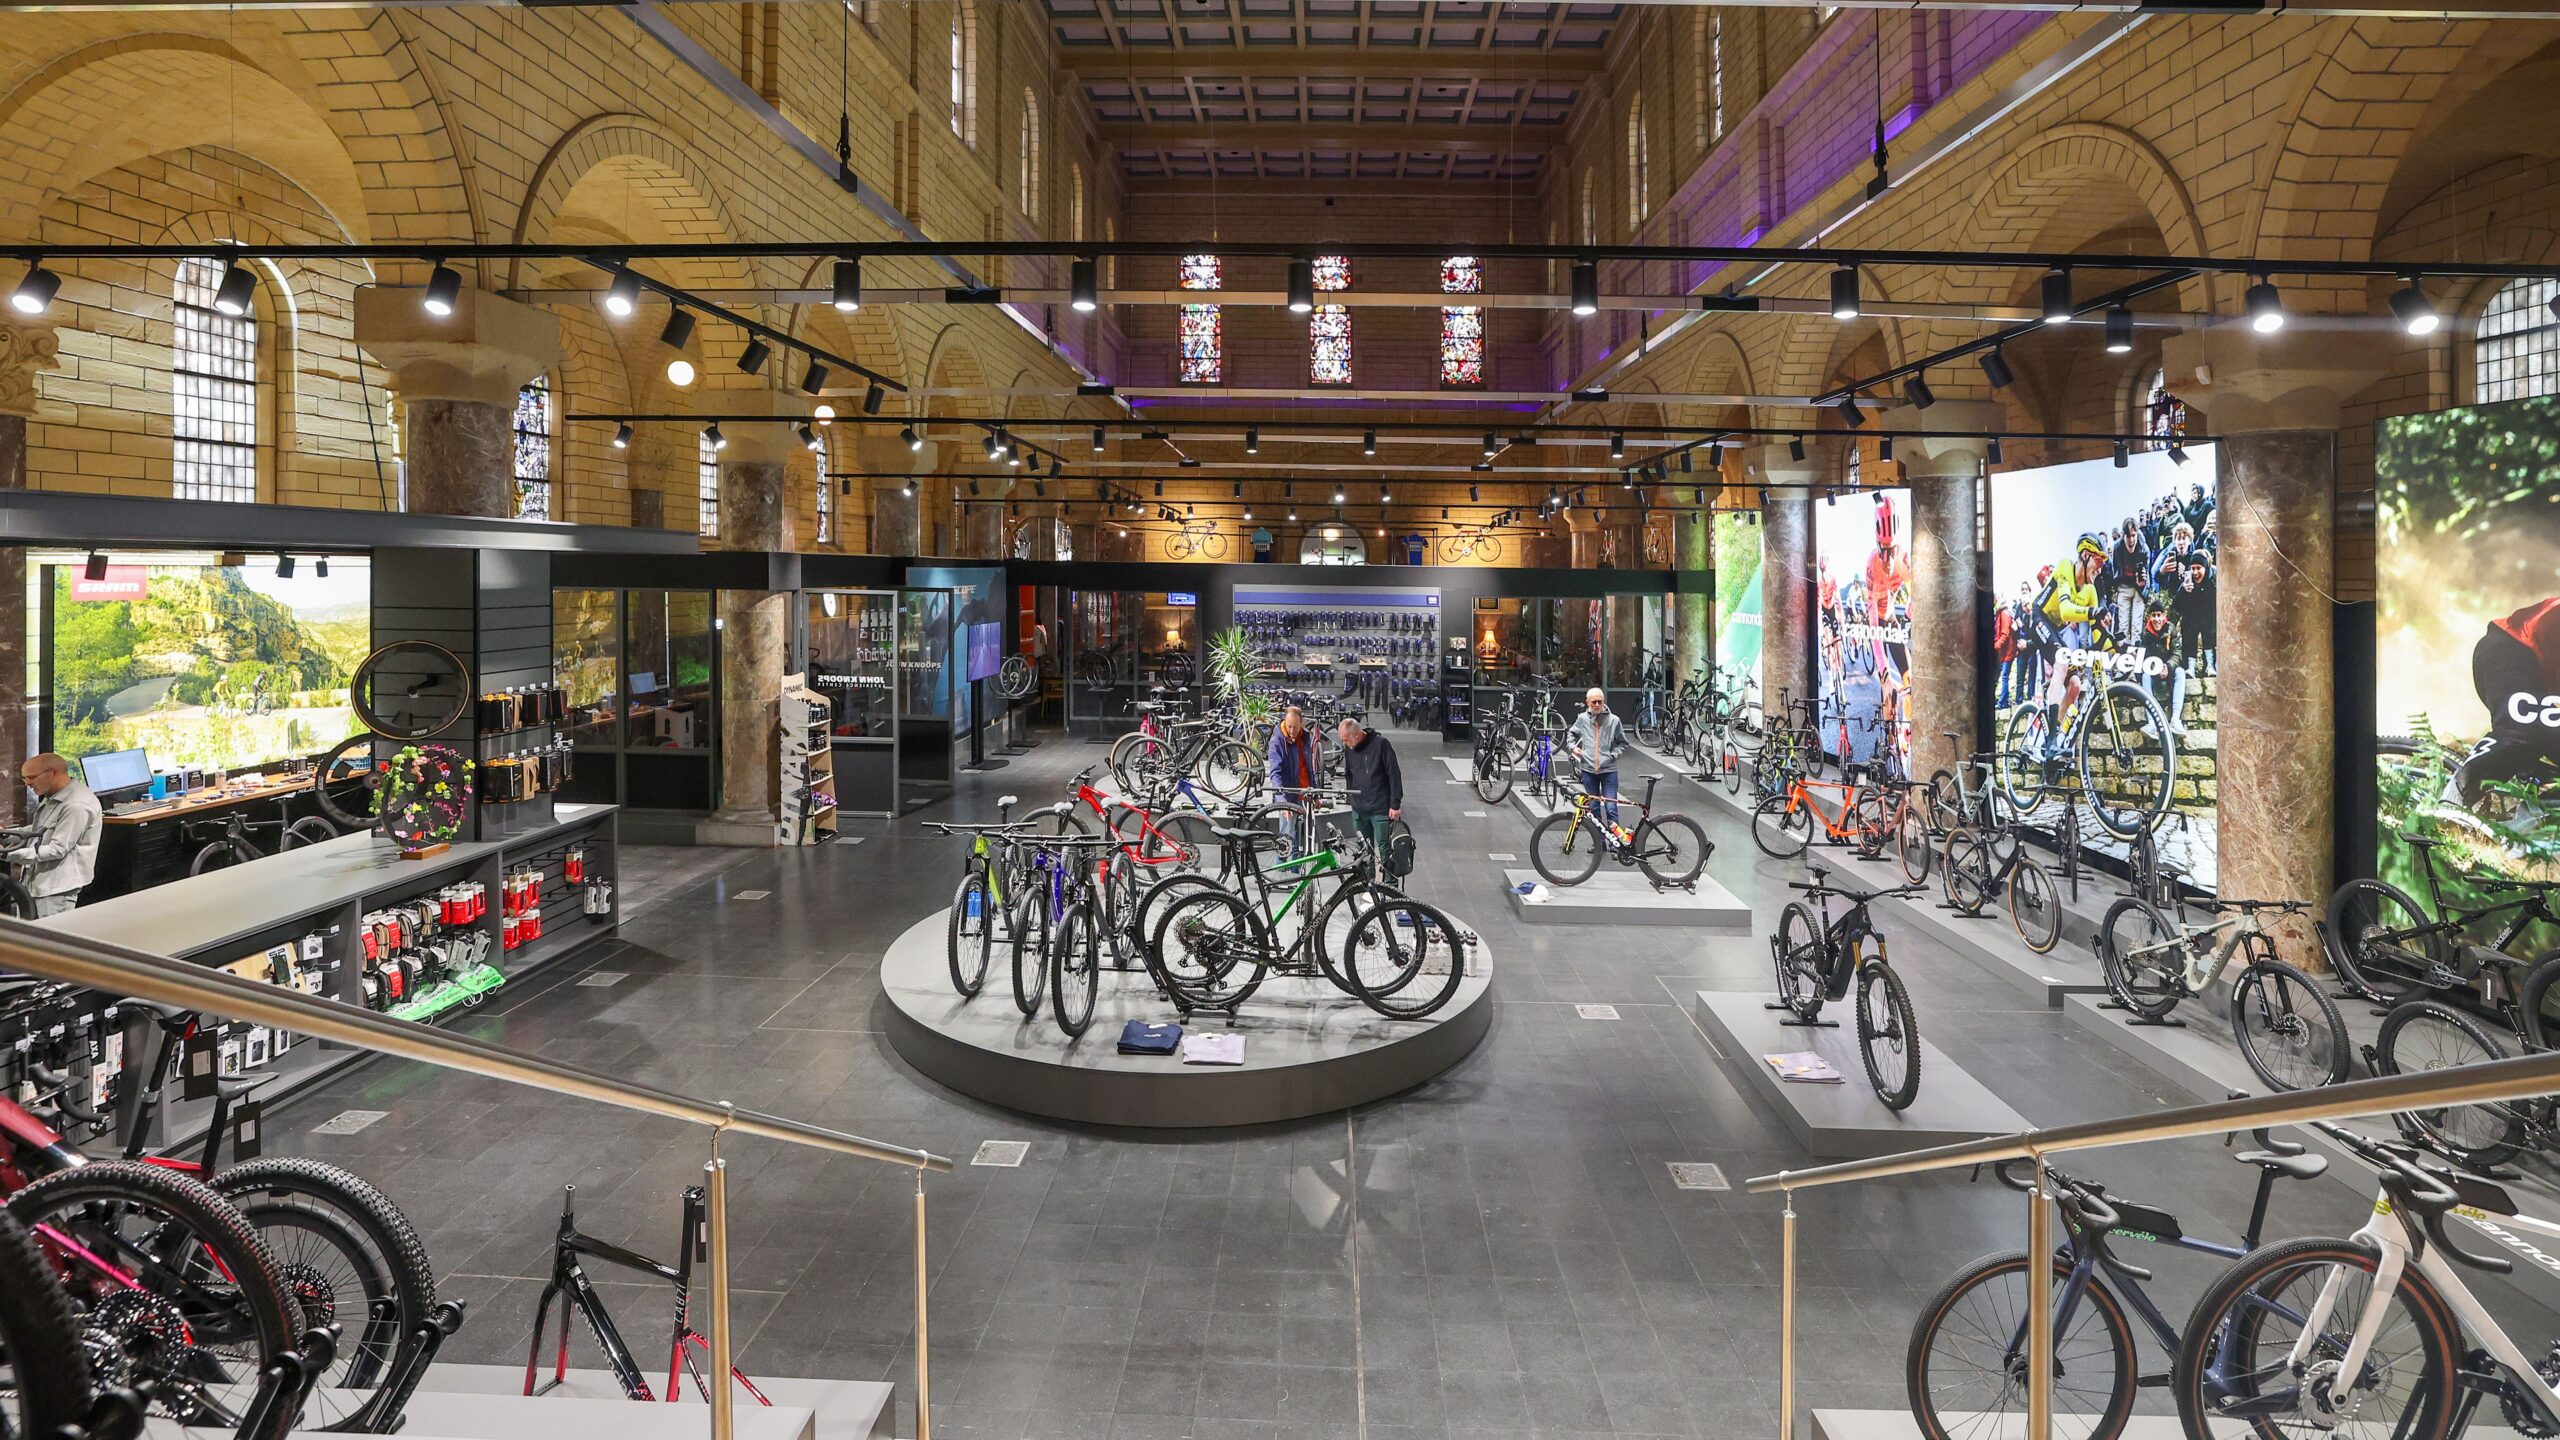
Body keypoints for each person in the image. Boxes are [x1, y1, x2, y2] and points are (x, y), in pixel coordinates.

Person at [2450, 598, 2560, 808]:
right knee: (2521, 732)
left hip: (2533, 673)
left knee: (2538, 732)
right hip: (2510, 650)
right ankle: (2454, 799)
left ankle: (2528, 820)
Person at [8, 754, 101, 918]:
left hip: (56, 890)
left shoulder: (76, 804)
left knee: (50, 939)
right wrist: (8, 835)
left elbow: (57, 849)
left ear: (52, 773)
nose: (27, 783)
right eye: (25, 778)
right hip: (37, 884)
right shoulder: (55, 794)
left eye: (31, 777)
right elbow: (40, 829)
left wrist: (10, 855)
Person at [1335, 715, 1403, 880]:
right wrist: (1351, 797)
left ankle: (1390, 888)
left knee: (1385, 849)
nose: (1344, 744)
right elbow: (1349, 774)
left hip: (1380, 808)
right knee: (1364, 850)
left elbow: (1394, 774)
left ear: (1356, 735)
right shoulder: (1350, 750)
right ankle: (1368, 883)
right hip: (1359, 809)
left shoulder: (1381, 745)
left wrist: (1395, 804)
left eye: (1346, 740)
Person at [1566, 686, 1630, 829]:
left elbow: (1623, 742)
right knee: (1594, 808)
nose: (1597, 705)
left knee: (1611, 808)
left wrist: (1613, 755)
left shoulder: (1614, 720)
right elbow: (1571, 733)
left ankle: (1616, 844)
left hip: (1609, 771)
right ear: (1587, 702)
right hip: (1588, 770)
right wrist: (1572, 747)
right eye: (1593, 702)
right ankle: (1599, 843)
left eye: (1599, 702)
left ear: (1603, 701)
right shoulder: (1582, 719)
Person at [1265, 705, 1322, 849]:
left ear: (1301, 723)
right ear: (1284, 720)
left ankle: (1296, 872)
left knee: (1300, 845)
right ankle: (1281, 871)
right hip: (1288, 798)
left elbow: (1309, 768)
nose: (1292, 731)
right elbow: (1275, 774)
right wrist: (1282, 802)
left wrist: (1315, 794)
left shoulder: (1305, 736)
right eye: (1289, 726)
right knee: (1285, 844)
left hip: (1305, 797)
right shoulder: (1277, 741)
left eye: (1295, 727)